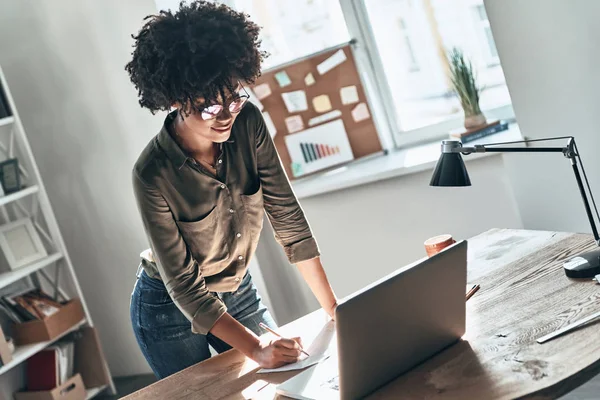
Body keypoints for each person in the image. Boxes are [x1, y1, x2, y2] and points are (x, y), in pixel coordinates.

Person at [125, 1, 338, 379]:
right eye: (208, 107)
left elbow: (288, 220)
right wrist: (257, 349)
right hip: (167, 307)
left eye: (234, 99)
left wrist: (335, 311)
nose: (225, 116)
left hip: (235, 288)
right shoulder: (151, 174)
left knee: (287, 374)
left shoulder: (248, 122)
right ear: (175, 100)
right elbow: (185, 288)